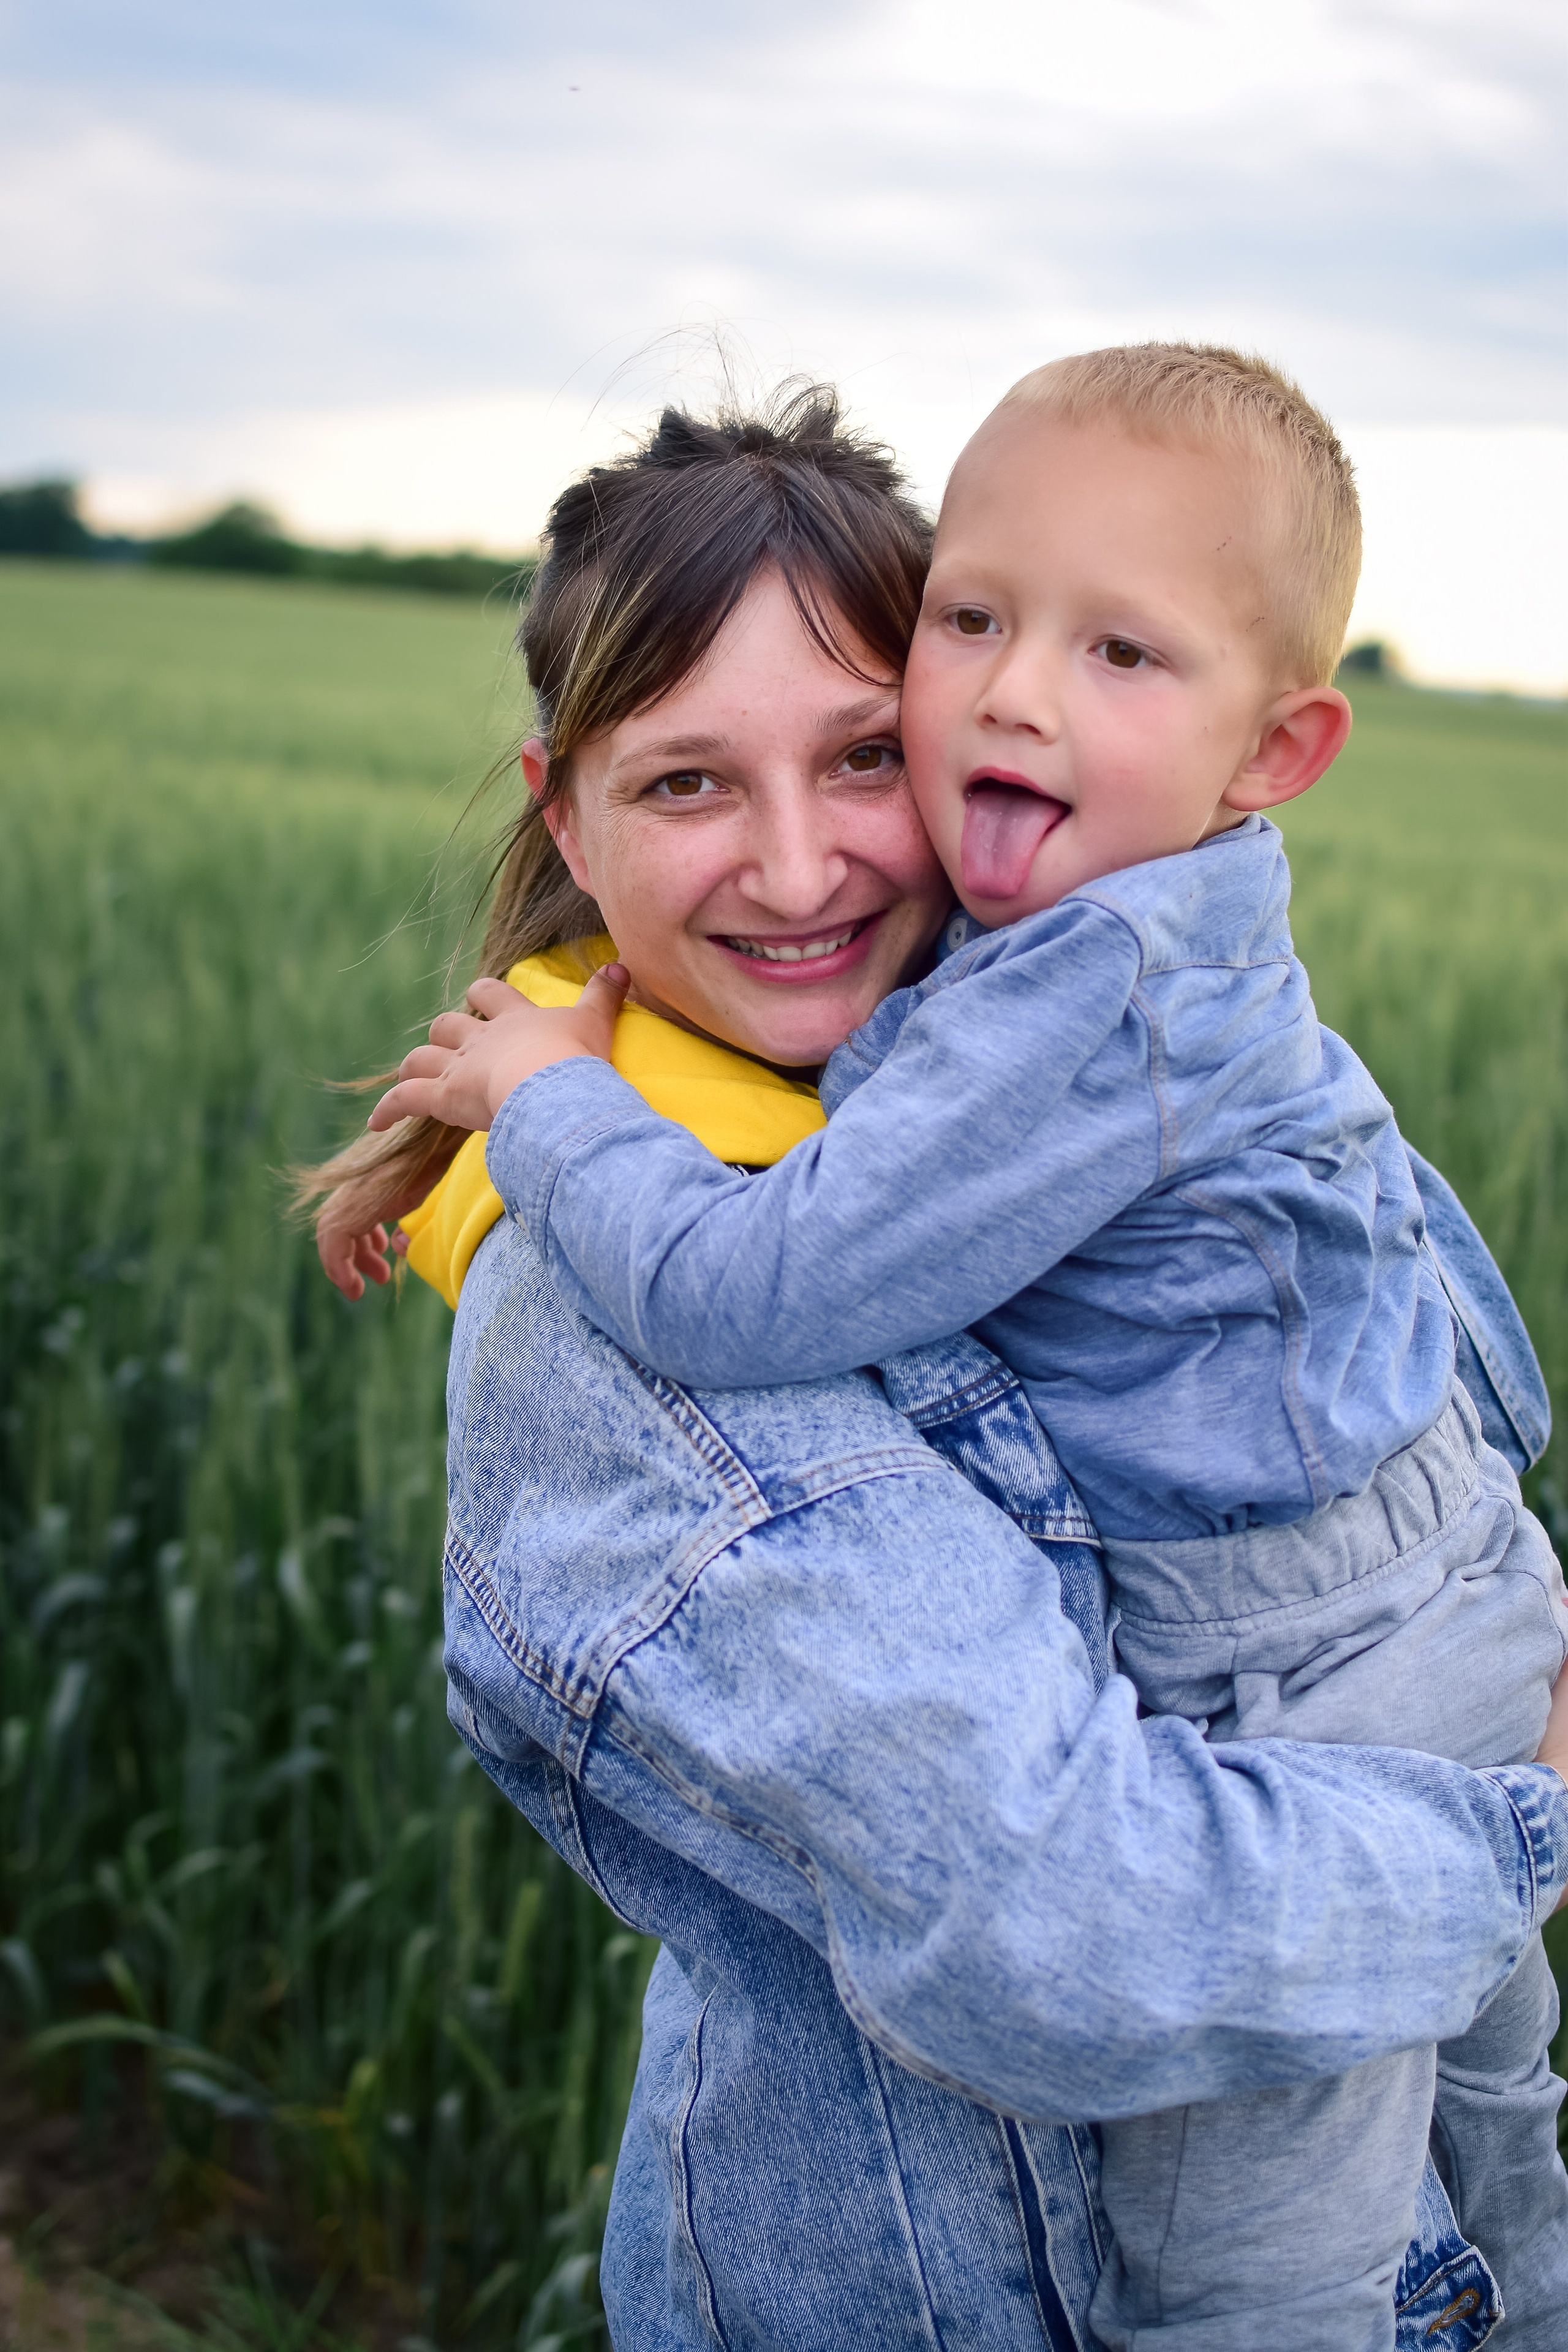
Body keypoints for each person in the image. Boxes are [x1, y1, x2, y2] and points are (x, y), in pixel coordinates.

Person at [308, 389, 1568, 2351]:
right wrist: (1526, 1783)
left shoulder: (1047, 1041)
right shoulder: (625, 1312)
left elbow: (1444, 1364)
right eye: (690, 786)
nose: (804, 871)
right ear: (566, 813)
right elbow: (1084, 1932)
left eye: (862, 756)